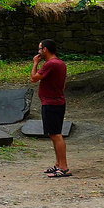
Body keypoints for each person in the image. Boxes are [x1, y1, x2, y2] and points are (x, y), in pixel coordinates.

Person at [30, 38, 70, 177]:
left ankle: (63, 167)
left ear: (45, 50)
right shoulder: (60, 63)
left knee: (56, 135)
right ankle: (58, 164)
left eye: (40, 49)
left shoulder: (50, 64)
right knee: (54, 134)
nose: (39, 51)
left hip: (51, 103)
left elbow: (34, 78)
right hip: (57, 101)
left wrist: (35, 63)